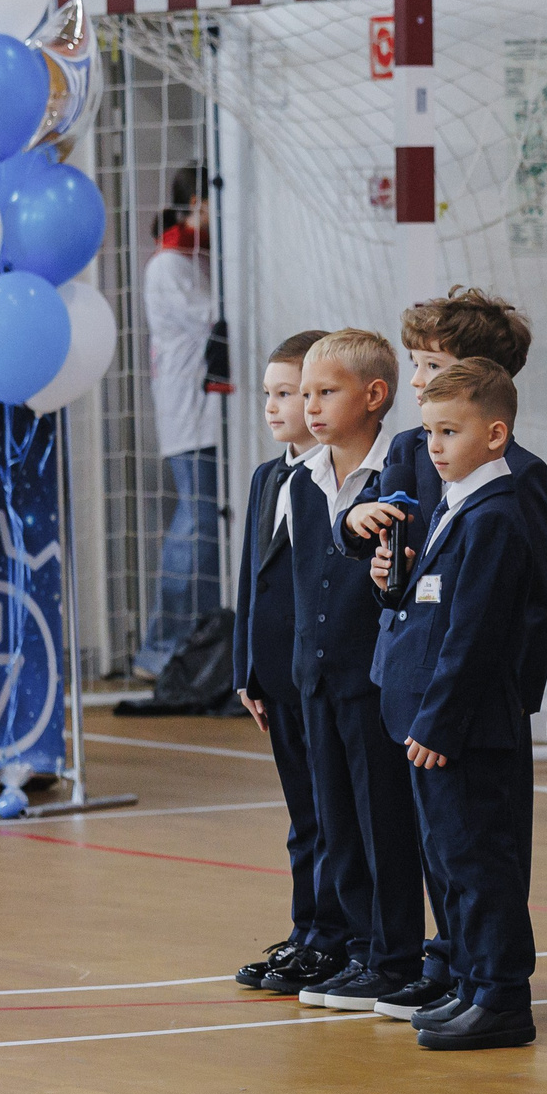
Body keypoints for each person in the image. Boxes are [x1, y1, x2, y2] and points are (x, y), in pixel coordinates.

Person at [343, 287, 547, 1008]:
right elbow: (403, 558)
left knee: (478, 845)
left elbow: (517, 601)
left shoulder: (513, 479)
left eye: (434, 364)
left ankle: (484, 977)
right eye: (417, 363)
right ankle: (453, 964)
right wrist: (382, 571)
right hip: (413, 678)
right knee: (439, 841)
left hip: (468, 697)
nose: (419, 379)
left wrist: (509, 696)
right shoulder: (412, 449)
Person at [374, 358, 547, 1052]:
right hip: (435, 722)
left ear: (495, 434)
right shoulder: (457, 504)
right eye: (429, 432)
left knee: (480, 864)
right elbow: (433, 607)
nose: (434, 446)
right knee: (449, 861)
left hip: (463, 727)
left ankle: (503, 996)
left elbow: (475, 635)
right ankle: (473, 983)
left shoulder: (497, 514)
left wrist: (439, 720)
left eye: (449, 431)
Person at [280, 329, 425, 1014]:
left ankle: (395, 956)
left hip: (373, 679)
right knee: (336, 822)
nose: (310, 406)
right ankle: (361, 949)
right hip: (317, 678)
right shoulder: (300, 480)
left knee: (382, 822)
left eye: (325, 392)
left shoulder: (401, 472)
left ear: (374, 396)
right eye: (304, 393)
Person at [230, 329, 344, 992]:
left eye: (289, 393)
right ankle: (307, 930)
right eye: (269, 393)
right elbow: (253, 580)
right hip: (277, 677)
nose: (274, 407)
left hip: (321, 675)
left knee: (333, 816)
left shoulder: (335, 480)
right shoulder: (267, 476)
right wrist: (246, 669)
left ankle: (335, 935)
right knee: (304, 818)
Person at [137, 167, 224, 677]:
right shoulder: (169, 264)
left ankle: (197, 646)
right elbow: (214, 319)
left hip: (209, 412)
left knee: (206, 526)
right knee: (196, 524)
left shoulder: (200, 257)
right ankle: (160, 647)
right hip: (188, 414)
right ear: (196, 203)